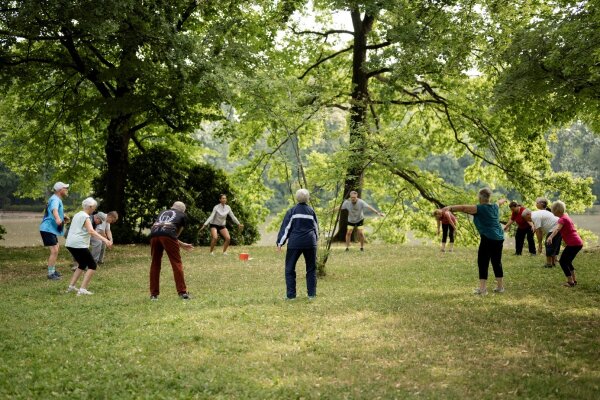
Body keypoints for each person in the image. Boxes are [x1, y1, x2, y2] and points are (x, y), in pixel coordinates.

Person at [442, 188, 507, 295]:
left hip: (488, 237)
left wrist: (449, 208)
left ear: (480, 197)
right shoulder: (494, 206)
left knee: (483, 262)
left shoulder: (479, 208)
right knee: (496, 261)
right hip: (499, 238)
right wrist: (503, 200)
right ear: (489, 198)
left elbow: (463, 208)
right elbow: (499, 202)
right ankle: (500, 287)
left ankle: (482, 290)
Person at [65, 198, 113, 296]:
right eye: (94, 207)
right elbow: (91, 231)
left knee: (82, 264)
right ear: (90, 207)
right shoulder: (85, 216)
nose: (94, 209)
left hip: (70, 243)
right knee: (92, 265)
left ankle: (71, 287)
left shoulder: (78, 214)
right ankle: (82, 289)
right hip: (79, 244)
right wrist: (106, 240)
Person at [277, 189, 319, 300]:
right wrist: (316, 241)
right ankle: (312, 295)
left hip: (295, 243)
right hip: (310, 242)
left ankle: (291, 296)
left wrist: (280, 242)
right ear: (308, 198)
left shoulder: (292, 211)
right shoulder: (311, 211)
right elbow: (316, 228)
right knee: (311, 269)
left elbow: (286, 228)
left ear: (296, 198)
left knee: (290, 269)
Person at [149, 201, 193, 300]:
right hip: (168, 234)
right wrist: (179, 244)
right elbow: (175, 234)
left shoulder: (162, 212)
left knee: (155, 264)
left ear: (172, 207)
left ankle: (153, 295)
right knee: (176, 263)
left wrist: (181, 244)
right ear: (183, 210)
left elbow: (156, 227)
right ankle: (182, 293)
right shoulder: (182, 215)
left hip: (154, 234)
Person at [546, 201, 583, 287]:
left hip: (573, 243)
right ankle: (574, 280)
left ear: (556, 210)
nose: (552, 211)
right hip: (577, 242)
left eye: (552, 210)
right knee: (568, 261)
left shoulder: (562, 219)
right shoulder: (565, 216)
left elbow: (557, 229)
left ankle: (570, 282)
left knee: (563, 262)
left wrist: (550, 237)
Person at [39, 182, 70, 280]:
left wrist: (63, 217)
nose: (67, 190)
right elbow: (54, 210)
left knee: (56, 248)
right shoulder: (55, 199)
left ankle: (52, 270)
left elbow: (53, 210)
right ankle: (50, 274)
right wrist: (57, 218)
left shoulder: (55, 199)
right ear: (60, 190)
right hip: (47, 229)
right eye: (65, 188)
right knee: (54, 250)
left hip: (50, 229)